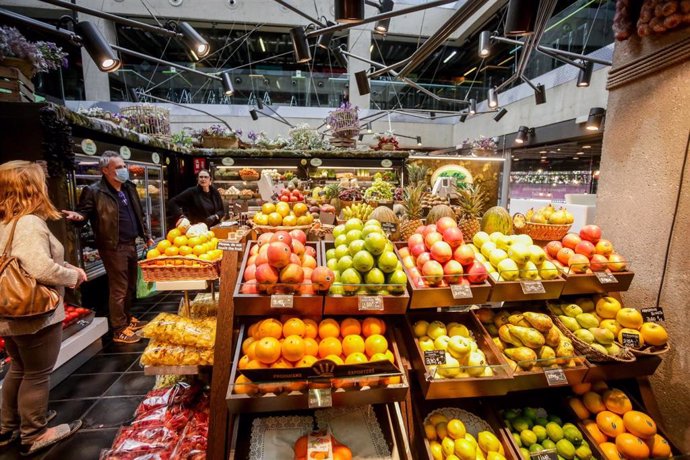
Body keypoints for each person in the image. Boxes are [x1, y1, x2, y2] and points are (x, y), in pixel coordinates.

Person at [0, 161, 85, 456]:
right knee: (37, 372)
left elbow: (20, 261)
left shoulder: (5, 221)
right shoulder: (29, 222)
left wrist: (63, 265)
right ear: (29, 187)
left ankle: (7, 426)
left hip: (9, 308)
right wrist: (72, 276)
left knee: (19, 367)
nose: (46, 187)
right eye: (41, 182)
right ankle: (34, 432)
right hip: (33, 312)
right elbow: (39, 268)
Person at [62, 151, 153, 344]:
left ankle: (127, 319)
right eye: (118, 167)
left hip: (130, 243)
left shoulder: (128, 187)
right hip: (112, 246)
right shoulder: (95, 191)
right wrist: (78, 217)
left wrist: (146, 235)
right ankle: (119, 329)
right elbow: (83, 213)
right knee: (119, 288)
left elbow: (138, 213)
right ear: (105, 170)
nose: (123, 170)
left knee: (130, 285)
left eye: (123, 166)